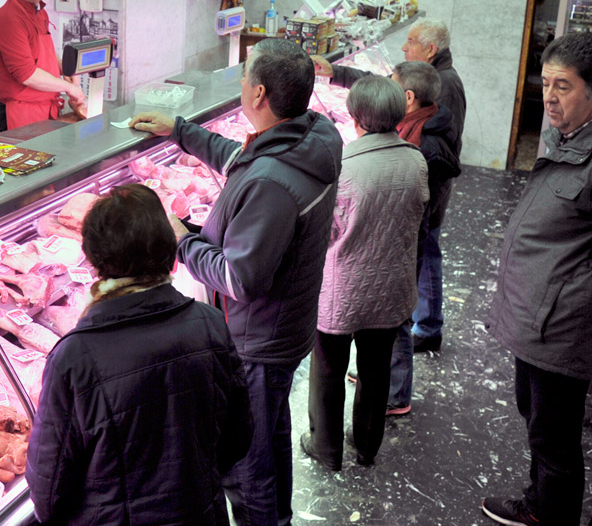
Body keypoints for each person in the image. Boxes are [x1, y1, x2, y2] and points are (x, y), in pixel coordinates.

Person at [130, 38, 343, 526]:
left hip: (258, 341)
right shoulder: (312, 136)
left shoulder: (272, 182)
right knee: (268, 441)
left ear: (259, 93)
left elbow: (237, 277)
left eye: (245, 74)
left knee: (249, 466)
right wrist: (181, 131)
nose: (241, 82)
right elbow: (245, 162)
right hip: (284, 326)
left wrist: (181, 239)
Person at [26, 183, 252, 526]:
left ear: (94, 259)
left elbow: (50, 485)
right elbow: (238, 436)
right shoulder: (209, 323)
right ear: (168, 249)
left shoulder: (74, 357)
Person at [481, 31, 592, 526]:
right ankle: (539, 503)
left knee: (554, 436)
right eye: (545, 83)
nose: (548, 95)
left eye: (563, 86)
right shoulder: (566, 138)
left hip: (563, 324)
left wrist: (569, 302)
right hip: (538, 320)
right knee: (539, 421)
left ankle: (553, 515)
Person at [300, 76, 429, 472]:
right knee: (375, 372)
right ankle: (367, 446)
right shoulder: (416, 160)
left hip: (343, 287)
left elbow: (327, 231)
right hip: (392, 286)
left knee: (328, 371)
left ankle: (326, 447)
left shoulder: (345, 166)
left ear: (354, 118)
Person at [315, 18, 466, 355]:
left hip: (427, 202)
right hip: (421, 204)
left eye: (410, 41)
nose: (403, 46)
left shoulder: (443, 88)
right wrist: (335, 73)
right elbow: (381, 84)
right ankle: (420, 331)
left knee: (425, 259)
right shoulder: (426, 82)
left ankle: (426, 329)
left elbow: (440, 151)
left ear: (429, 49)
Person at [386, 61, 462, 416]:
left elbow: (408, 200)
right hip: (411, 234)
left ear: (409, 98)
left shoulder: (424, 146)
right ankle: (385, 374)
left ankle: (396, 393)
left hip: (408, 237)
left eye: (392, 87)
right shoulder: (429, 119)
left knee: (398, 313)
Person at [0, 0, 86, 131]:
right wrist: (69, 88)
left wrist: (67, 69)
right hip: (20, 111)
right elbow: (26, 74)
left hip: (46, 107)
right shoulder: (8, 18)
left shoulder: (40, 11)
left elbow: (45, 52)